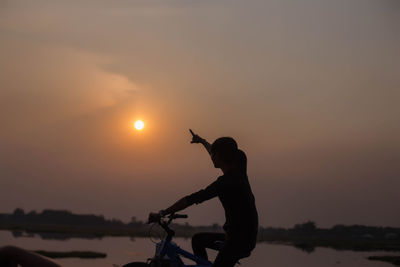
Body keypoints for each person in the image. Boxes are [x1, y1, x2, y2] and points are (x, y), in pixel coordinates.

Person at [148, 129, 258, 267]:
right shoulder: (240, 164)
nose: (212, 156)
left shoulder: (226, 183)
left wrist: (162, 213)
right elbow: (217, 151)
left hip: (238, 241)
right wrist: (203, 142)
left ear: (223, 156)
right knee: (198, 240)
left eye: (214, 154)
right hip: (243, 236)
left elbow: (192, 199)